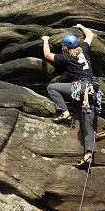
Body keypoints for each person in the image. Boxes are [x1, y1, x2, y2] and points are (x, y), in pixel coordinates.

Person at [42, 24, 96, 169]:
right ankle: (88, 156)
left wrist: (45, 40)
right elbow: (90, 35)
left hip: (79, 89)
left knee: (52, 88)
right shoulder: (84, 49)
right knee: (87, 126)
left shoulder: (66, 57)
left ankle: (65, 113)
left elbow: (47, 55)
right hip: (92, 92)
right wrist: (81, 27)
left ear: (65, 47)